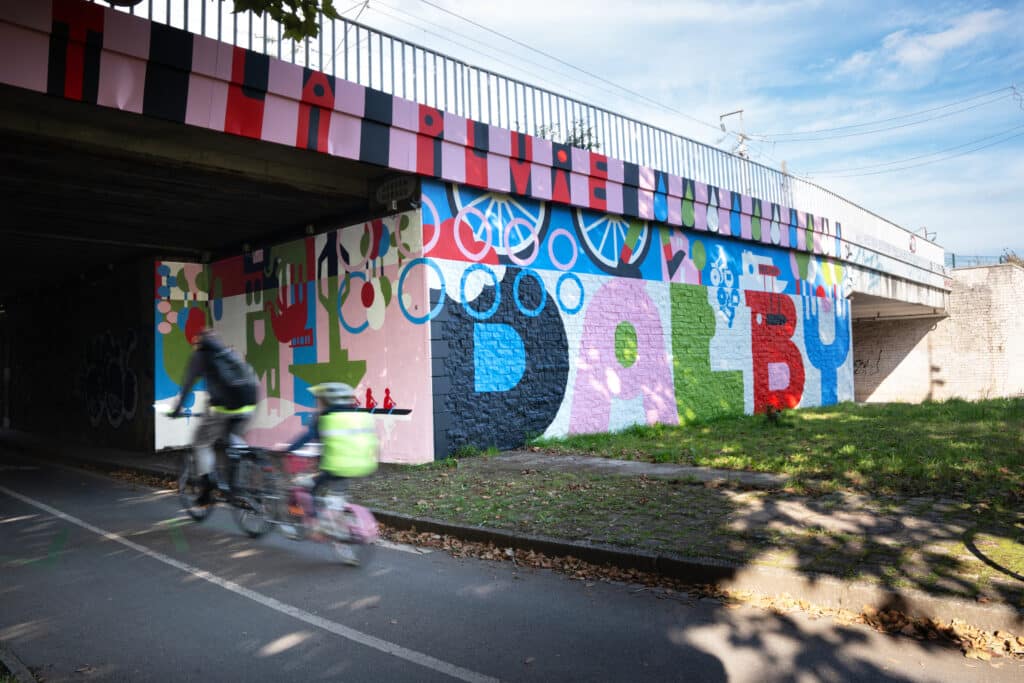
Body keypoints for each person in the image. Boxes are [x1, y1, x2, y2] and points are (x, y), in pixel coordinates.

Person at [170, 328, 257, 505]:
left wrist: (177, 410)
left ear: (198, 342)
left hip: (225, 407)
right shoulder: (227, 352)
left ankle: (208, 484)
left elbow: (187, 385)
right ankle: (239, 477)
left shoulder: (200, 356)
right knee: (233, 437)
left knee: (201, 442)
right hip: (250, 401)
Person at [285, 382, 378, 532]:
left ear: (327, 401)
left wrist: (288, 448)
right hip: (362, 465)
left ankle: (315, 522)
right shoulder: (358, 416)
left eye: (320, 400)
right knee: (337, 493)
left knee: (309, 489)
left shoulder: (325, 417)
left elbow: (307, 437)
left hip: (335, 467)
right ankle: (336, 515)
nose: (318, 403)